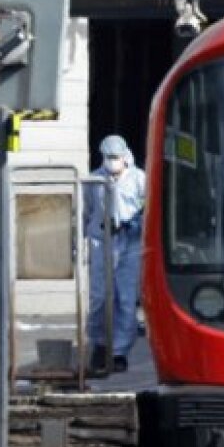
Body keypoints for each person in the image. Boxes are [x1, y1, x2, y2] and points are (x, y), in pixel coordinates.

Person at [84, 135, 146, 374]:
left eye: (115, 158)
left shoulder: (139, 179)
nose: (112, 162)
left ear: (125, 156)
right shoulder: (94, 181)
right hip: (102, 242)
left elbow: (148, 207)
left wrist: (136, 224)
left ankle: (119, 351)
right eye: (108, 158)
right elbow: (85, 212)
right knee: (99, 297)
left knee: (126, 299)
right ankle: (99, 345)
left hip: (130, 243)